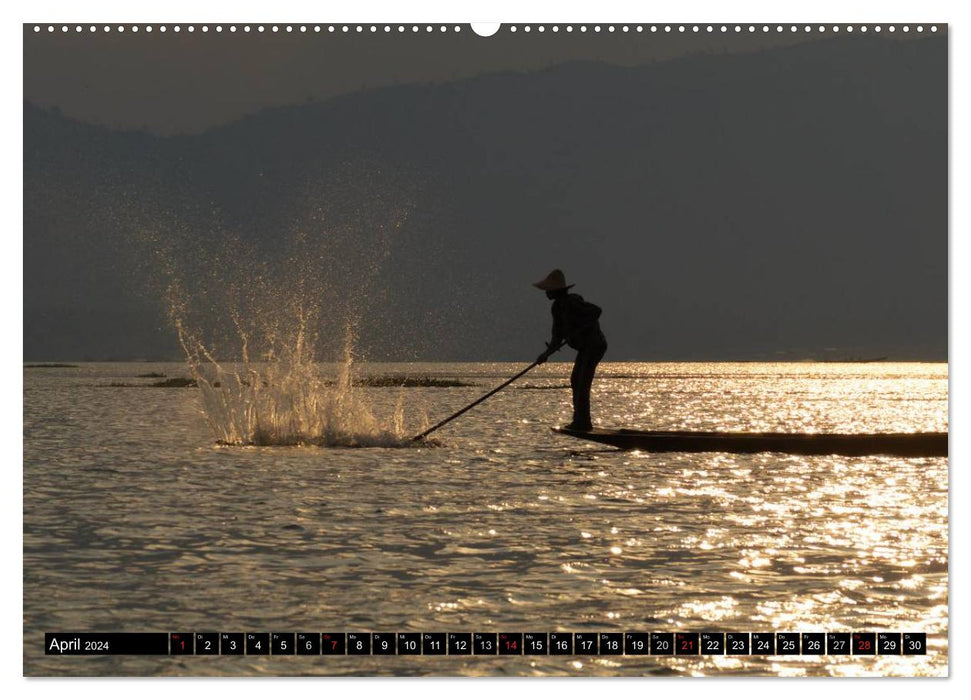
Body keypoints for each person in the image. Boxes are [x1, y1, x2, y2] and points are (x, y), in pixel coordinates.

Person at [533, 269, 607, 431]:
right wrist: (545, 355)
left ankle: (583, 422)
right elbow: (556, 337)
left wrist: (581, 327)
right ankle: (579, 420)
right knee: (575, 380)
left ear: (556, 291)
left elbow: (597, 311)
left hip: (594, 346)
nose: (546, 293)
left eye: (548, 290)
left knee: (582, 382)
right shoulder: (556, 309)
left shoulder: (572, 301)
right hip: (584, 348)